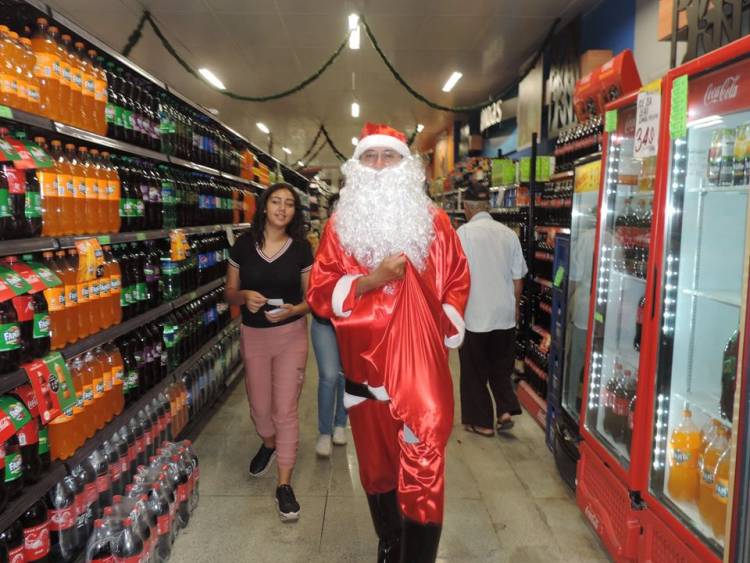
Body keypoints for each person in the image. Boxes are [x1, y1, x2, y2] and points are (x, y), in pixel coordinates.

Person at [307, 122, 470, 563]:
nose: (379, 166)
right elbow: (320, 292)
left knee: (423, 467)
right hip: (363, 375)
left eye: (389, 156)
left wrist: (446, 319)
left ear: (406, 165)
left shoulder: (434, 222)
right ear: (357, 168)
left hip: (418, 378)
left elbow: (455, 278)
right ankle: (389, 541)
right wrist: (369, 281)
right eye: (370, 157)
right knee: (377, 471)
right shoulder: (340, 229)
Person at [224, 182, 312, 523]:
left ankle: (284, 485)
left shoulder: (302, 250)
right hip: (254, 335)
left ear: (294, 212)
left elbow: (311, 300)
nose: (282, 208)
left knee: (285, 409)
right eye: (276, 201)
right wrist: (245, 296)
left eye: (289, 204)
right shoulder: (244, 246)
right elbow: (228, 294)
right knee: (260, 408)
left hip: (291, 335)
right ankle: (269, 443)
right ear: (263, 206)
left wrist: (294, 311)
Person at [457, 182, 527, 436]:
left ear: (466, 208)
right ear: (488, 207)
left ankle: (482, 422)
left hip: (475, 314)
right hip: (504, 313)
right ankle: (505, 410)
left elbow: (455, 279)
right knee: (501, 365)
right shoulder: (508, 234)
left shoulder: (462, 235)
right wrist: (515, 308)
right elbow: (518, 280)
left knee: (474, 369)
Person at [310, 193, 348, 457]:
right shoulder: (319, 250)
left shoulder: (362, 246)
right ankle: (324, 431)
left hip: (350, 322)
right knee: (328, 376)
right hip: (324, 321)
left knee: (347, 375)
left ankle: (340, 424)